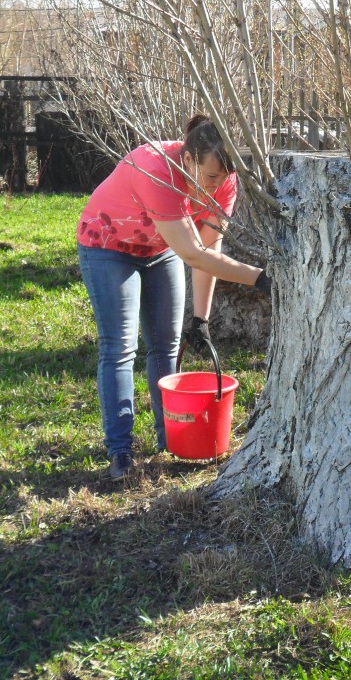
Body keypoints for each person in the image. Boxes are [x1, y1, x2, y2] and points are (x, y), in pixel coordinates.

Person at [77, 114, 269, 480]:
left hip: (159, 249)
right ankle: (121, 452)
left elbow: (210, 248)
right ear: (188, 160)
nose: (217, 186)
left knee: (166, 345)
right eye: (210, 176)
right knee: (119, 347)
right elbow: (194, 254)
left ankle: (171, 441)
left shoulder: (224, 182)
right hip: (107, 245)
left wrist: (202, 318)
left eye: (223, 178)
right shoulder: (157, 171)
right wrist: (260, 279)